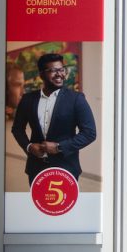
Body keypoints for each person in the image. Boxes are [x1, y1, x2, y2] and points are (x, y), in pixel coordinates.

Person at [11, 53, 96, 185]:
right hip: (36, 168)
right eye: (53, 70)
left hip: (66, 168)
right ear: (41, 75)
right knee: (38, 206)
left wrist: (59, 147)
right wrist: (29, 147)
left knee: (65, 205)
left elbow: (89, 133)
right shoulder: (28, 99)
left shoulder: (76, 99)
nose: (59, 74)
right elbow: (17, 129)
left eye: (61, 69)